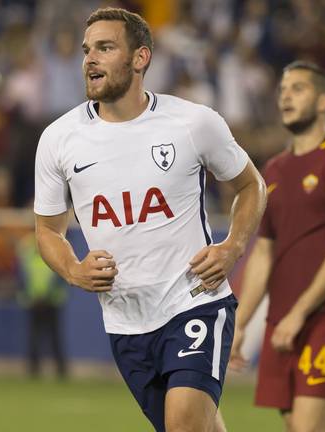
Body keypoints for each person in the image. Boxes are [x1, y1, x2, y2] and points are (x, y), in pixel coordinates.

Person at [33, 8, 267, 432]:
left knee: (183, 425)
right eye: (88, 50)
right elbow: (47, 230)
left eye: (105, 48)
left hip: (195, 300)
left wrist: (232, 247)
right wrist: (73, 269)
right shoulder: (58, 139)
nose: (90, 59)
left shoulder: (193, 123)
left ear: (140, 58)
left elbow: (252, 186)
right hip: (126, 320)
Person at [230, 61, 325, 432]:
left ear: (324, 101)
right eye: (282, 90)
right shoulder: (273, 172)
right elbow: (263, 252)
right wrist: (240, 324)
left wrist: (300, 313)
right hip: (281, 320)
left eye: (298, 89)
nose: (286, 97)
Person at [17, 230, 68, 380]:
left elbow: (59, 277)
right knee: (35, 337)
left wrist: (47, 296)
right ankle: (34, 369)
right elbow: (23, 278)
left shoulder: (50, 251)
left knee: (53, 337)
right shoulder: (28, 252)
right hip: (35, 301)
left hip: (51, 301)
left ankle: (60, 370)